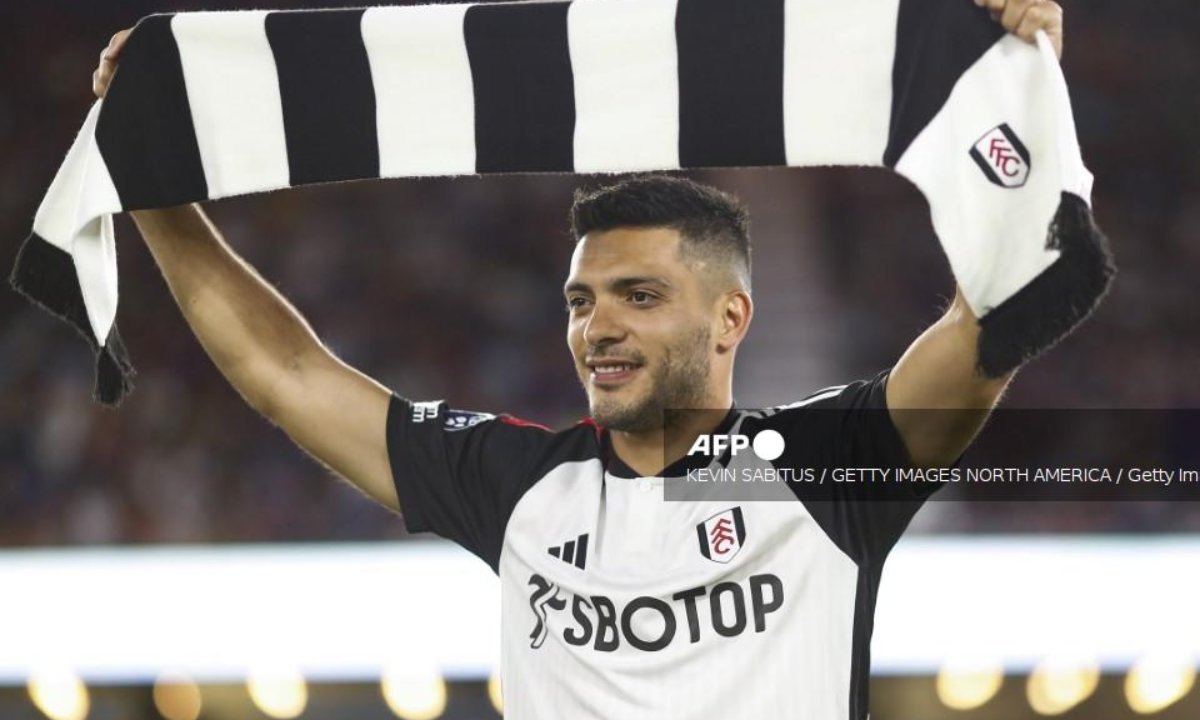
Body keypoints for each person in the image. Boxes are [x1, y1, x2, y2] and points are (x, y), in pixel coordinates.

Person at [93, 1, 1065, 718]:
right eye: (581, 301)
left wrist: (1013, 108)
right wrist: (152, 188)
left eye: (640, 297)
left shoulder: (820, 471)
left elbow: (989, 332)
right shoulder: (520, 486)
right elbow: (288, 374)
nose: (597, 327)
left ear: (731, 319)